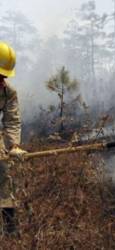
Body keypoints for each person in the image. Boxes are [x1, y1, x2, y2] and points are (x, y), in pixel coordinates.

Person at [0, 41, 27, 235]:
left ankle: (9, 229)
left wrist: (13, 146)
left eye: (4, 76)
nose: (2, 80)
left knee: (3, 173)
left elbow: (12, 121)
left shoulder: (8, 92)